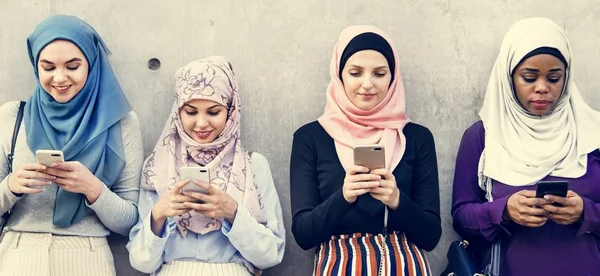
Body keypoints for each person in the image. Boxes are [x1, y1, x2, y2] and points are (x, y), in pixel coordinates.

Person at [451, 17, 600, 275]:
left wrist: (586, 213)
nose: (542, 88)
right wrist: (504, 211)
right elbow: (461, 217)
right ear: (509, 78)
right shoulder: (483, 137)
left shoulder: (593, 134)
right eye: (529, 77)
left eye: (554, 78)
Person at [290, 25, 441, 275]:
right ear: (340, 75)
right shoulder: (311, 137)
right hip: (339, 266)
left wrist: (396, 200)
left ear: (393, 78)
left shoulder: (416, 137)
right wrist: (344, 196)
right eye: (355, 73)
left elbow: (431, 236)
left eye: (379, 74)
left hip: (405, 267)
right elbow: (304, 235)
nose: (367, 84)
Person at [0, 15, 143, 275]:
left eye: (72, 66)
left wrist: (93, 189)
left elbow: (130, 222)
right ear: (36, 66)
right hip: (18, 257)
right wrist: (11, 186)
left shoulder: (121, 123)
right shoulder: (12, 116)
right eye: (48, 67)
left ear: (91, 63)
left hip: (88, 259)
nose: (60, 78)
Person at [127, 56, 285, 276]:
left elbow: (271, 256)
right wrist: (159, 215)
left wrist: (232, 213)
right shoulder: (157, 167)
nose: (201, 123)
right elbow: (141, 262)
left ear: (231, 112)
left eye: (213, 112)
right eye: (190, 112)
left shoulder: (253, 166)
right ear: (177, 112)